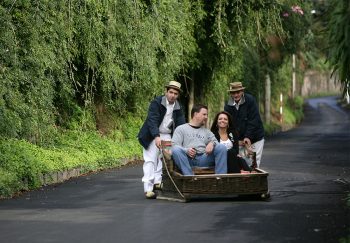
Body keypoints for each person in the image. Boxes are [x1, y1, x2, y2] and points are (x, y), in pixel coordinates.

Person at [138, 81, 186, 199]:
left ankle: (157, 182)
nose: (172, 95)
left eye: (175, 93)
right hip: (151, 134)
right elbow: (152, 120)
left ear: (178, 95)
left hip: (168, 135)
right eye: (170, 92)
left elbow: (180, 125)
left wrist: (181, 140)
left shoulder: (179, 107)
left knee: (164, 158)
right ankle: (148, 189)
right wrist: (156, 136)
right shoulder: (156, 102)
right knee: (150, 160)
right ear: (166, 92)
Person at [171, 104, 227, 175]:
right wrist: (186, 150)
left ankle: (221, 178)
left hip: (203, 159)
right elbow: (174, 145)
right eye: (204, 114)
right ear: (195, 114)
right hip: (187, 160)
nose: (206, 117)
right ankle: (189, 177)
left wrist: (212, 143)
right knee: (176, 149)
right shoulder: (181, 129)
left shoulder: (207, 131)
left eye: (207, 115)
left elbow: (216, 142)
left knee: (221, 147)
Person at [224, 82, 265, 167]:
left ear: (242, 91)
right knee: (243, 164)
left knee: (254, 164)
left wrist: (248, 137)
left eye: (238, 92)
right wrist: (235, 140)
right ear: (230, 94)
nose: (236, 95)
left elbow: (254, 120)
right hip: (239, 141)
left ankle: (255, 180)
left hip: (256, 137)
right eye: (233, 93)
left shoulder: (250, 100)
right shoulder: (227, 106)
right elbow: (229, 126)